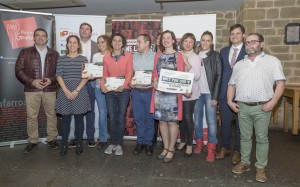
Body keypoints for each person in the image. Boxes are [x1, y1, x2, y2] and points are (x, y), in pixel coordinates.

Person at [229, 33, 285, 183]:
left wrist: (273, 102)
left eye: (253, 42)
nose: (249, 45)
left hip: (262, 107)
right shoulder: (239, 64)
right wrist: (229, 101)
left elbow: (280, 83)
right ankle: (245, 163)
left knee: (261, 138)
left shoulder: (272, 61)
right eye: (247, 43)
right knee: (245, 137)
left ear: (262, 44)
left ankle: (260, 167)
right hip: (242, 108)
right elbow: (231, 85)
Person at [15, 28, 60, 154]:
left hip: (50, 90)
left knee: (52, 115)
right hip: (31, 89)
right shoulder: (25, 52)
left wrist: (51, 80)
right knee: (31, 117)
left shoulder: (55, 54)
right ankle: (33, 141)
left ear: (47, 38)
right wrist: (32, 81)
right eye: (37, 35)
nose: (40, 38)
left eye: (43, 35)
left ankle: (51, 139)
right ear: (34, 38)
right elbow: (18, 70)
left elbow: (59, 72)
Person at [150, 30, 185, 163]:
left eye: (168, 38)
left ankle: (171, 148)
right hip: (159, 94)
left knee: (172, 122)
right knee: (162, 122)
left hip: (173, 95)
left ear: (173, 40)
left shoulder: (179, 56)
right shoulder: (158, 55)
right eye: (164, 38)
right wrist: (154, 80)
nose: (166, 40)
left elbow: (182, 75)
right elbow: (155, 72)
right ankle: (165, 147)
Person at [216, 24, 246, 164]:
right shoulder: (223, 51)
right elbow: (220, 74)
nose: (234, 36)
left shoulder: (248, 50)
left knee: (241, 124)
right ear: (229, 36)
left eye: (237, 33)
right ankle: (225, 147)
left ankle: (238, 151)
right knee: (226, 123)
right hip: (224, 93)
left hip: (242, 93)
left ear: (243, 35)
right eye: (232, 33)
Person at [56, 35, 90, 156]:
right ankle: (64, 144)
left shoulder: (84, 59)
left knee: (79, 120)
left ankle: (79, 144)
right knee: (65, 120)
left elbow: (86, 76)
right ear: (67, 45)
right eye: (70, 42)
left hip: (79, 91)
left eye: (75, 42)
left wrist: (76, 90)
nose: (72, 44)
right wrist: (65, 90)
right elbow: (59, 76)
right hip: (64, 90)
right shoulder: (61, 59)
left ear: (78, 45)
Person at [100, 33, 133, 156]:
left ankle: (119, 144)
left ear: (123, 43)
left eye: (120, 41)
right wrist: (102, 86)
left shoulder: (128, 56)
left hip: (124, 91)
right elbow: (104, 75)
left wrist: (124, 86)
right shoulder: (106, 57)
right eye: (115, 40)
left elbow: (129, 72)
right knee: (112, 117)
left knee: (120, 117)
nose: (117, 43)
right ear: (111, 42)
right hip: (110, 92)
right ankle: (112, 142)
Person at [194, 31, 222, 162]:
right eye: (203, 40)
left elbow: (218, 77)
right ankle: (199, 142)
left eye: (208, 40)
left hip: (210, 93)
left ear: (212, 42)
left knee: (211, 121)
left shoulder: (216, 56)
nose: (205, 43)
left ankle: (211, 147)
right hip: (197, 93)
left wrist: (215, 97)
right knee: (197, 119)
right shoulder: (195, 55)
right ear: (200, 41)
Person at [69, 22, 98, 148]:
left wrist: (95, 74)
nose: (84, 31)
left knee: (90, 110)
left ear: (91, 33)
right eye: (82, 29)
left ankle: (91, 136)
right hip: (75, 83)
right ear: (79, 31)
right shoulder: (74, 45)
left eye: (87, 29)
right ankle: (76, 137)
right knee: (76, 110)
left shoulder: (97, 46)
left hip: (90, 83)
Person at [130, 34, 155, 156]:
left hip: (150, 92)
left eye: (139, 42)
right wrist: (130, 82)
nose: (137, 44)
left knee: (149, 119)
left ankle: (149, 143)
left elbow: (158, 73)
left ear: (147, 43)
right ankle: (140, 142)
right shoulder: (133, 56)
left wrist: (154, 80)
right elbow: (130, 73)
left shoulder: (155, 56)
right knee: (139, 119)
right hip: (136, 92)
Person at [176, 33, 201, 157]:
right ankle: (183, 141)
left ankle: (190, 144)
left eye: (191, 42)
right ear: (182, 42)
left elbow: (197, 76)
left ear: (194, 44)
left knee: (188, 117)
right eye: (186, 41)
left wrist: (187, 63)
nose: (188, 44)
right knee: (181, 119)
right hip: (178, 92)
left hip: (190, 93)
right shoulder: (177, 54)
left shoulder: (196, 57)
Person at [92, 35, 112, 148]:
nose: (100, 44)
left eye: (102, 42)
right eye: (98, 42)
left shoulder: (113, 55)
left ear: (107, 42)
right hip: (99, 88)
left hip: (112, 88)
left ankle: (114, 138)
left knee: (113, 114)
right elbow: (94, 72)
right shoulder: (95, 56)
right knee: (103, 113)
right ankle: (103, 138)